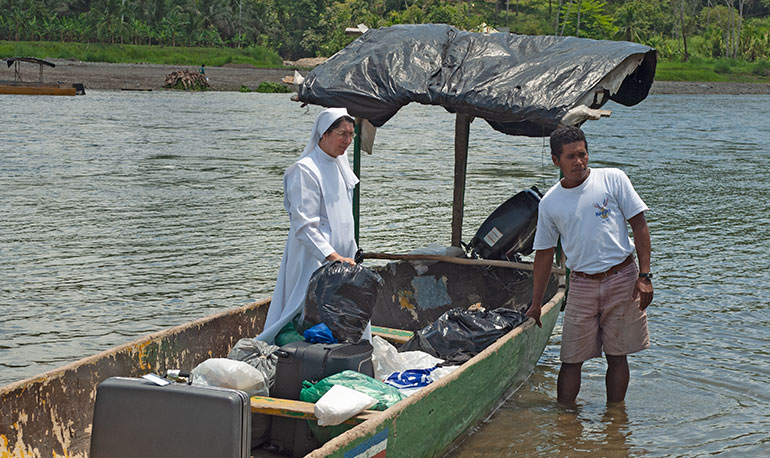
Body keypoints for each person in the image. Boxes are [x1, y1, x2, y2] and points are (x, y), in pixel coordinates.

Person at [526, 125, 653, 405]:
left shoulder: (613, 179)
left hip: (622, 277)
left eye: (582, 154)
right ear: (555, 161)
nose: (579, 162)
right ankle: (566, 423)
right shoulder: (550, 203)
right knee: (571, 358)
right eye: (570, 157)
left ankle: (615, 417)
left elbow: (639, 225)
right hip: (581, 283)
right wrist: (536, 303)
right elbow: (544, 254)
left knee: (617, 356)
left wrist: (645, 275)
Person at [259, 107, 369, 344]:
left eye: (352, 135)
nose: (348, 141)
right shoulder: (305, 170)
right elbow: (304, 225)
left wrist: (344, 255)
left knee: (343, 311)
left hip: (342, 255)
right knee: (305, 307)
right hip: (313, 255)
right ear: (324, 134)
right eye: (342, 134)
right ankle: (295, 354)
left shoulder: (340, 166)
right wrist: (331, 256)